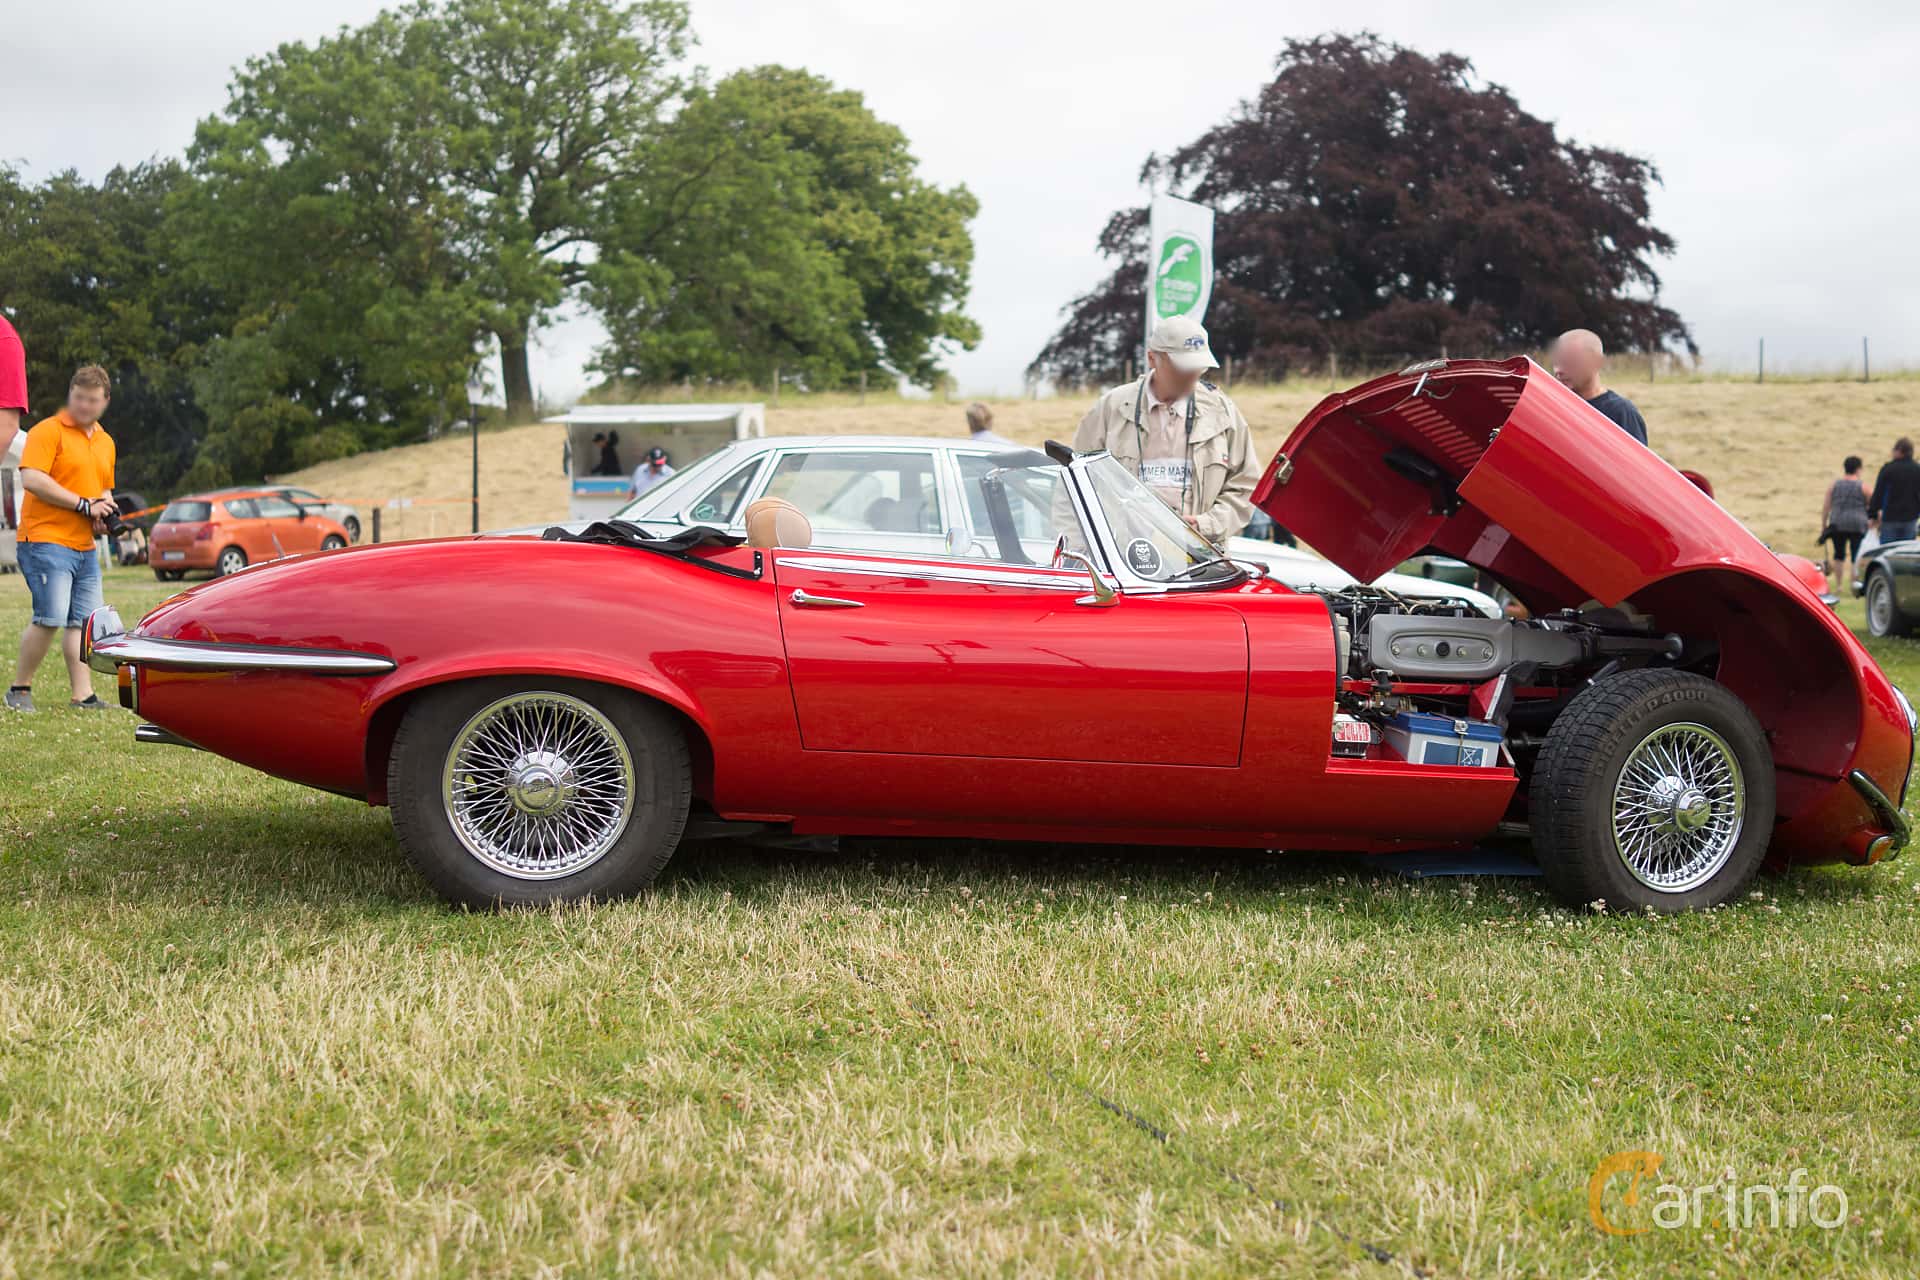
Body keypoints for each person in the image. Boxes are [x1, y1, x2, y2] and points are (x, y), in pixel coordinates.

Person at [1072, 317, 1260, 544]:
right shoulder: (1112, 408)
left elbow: (1246, 486)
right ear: (1152, 358)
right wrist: (1080, 549)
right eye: (1183, 366)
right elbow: (1073, 486)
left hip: (1201, 562)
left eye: (1199, 366)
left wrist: (1205, 525)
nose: (1193, 375)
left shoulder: (1223, 413)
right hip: (1122, 561)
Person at [7, 366, 117, 713]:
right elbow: (33, 480)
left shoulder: (105, 442)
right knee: (50, 617)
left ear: (105, 401)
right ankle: (18, 690)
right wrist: (84, 505)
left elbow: (103, 490)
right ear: (71, 395)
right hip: (44, 539)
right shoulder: (47, 432)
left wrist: (104, 514)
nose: (85, 406)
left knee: (81, 623)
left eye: (92, 400)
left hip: (83, 546)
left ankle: (82, 696)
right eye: (79, 398)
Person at [1549, 329, 1648, 445]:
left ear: (1598, 363)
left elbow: (1634, 462)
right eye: (1556, 362)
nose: (1559, 370)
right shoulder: (1553, 407)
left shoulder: (1621, 413)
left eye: (1570, 362)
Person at [1820, 455, 1871, 594]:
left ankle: (1839, 586)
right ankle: (1854, 584)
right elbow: (1872, 505)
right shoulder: (1864, 487)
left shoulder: (1834, 485)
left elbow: (1826, 507)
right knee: (1856, 555)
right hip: (1857, 524)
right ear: (1858, 469)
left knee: (1839, 555)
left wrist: (1824, 525)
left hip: (1838, 523)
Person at [1868, 438, 1920, 544]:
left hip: (1890, 517)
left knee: (1887, 550)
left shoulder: (1888, 469)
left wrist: (1872, 514)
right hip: (1910, 517)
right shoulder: (1917, 469)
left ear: (1899, 451)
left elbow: (1879, 493)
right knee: (1905, 551)